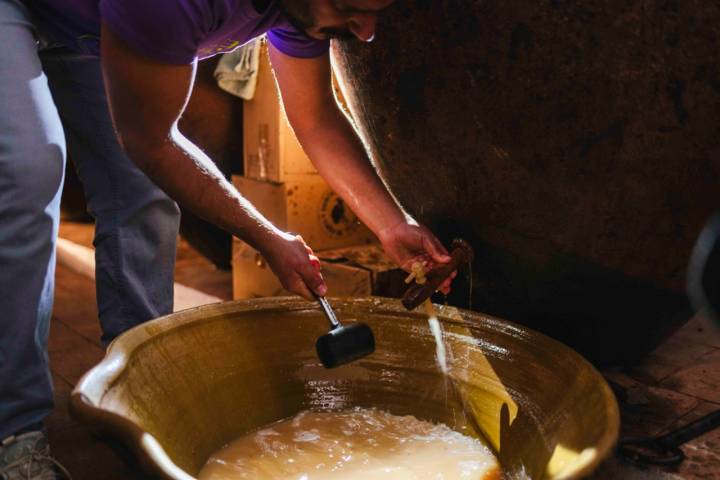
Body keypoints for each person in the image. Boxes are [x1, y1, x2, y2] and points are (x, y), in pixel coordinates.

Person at [0, 0, 454, 477]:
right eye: (350, 8)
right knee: (26, 173)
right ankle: (14, 430)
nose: (366, 33)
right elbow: (152, 142)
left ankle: (134, 390)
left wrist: (392, 224)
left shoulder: (300, 10)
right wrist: (269, 238)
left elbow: (316, 118)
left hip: (89, 25)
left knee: (143, 195)